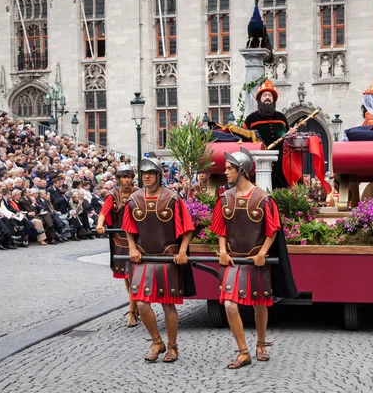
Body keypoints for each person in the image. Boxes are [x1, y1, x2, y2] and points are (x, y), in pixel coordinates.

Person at [209, 147, 297, 369]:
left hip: (255, 260)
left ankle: (260, 344)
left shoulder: (262, 198)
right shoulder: (224, 198)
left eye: (229, 169)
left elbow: (272, 229)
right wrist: (222, 250)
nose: (226, 172)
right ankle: (243, 352)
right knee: (229, 304)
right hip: (232, 260)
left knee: (259, 305)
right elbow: (221, 228)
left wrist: (262, 252)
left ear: (241, 170)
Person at [122, 157, 196, 363]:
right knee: (142, 304)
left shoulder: (172, 199)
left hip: (167, 257)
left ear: (158, 175)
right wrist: (131, 247)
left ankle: (172, 346)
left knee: (167, 305)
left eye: (151, 173)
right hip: (143, 256)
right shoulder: (134, 199)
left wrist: (182, 252)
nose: (146, 176)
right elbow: (129, 228)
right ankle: (157, 341)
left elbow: (187, 228)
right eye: (144, 173)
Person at [96, 163, 140, 328]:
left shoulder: (138, 193)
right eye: (123, 177)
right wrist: (100, 224)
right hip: (119, 238)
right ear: (118, 178)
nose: (126, 180)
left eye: (128, 176)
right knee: (127, 277)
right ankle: (133, 308)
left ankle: (131, 312)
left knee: (133, 275)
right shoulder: (113, 194)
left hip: (136, 239)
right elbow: (104, 211)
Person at [243, 79, 290, 189]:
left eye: (270, 95)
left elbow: (287, 135)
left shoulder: (281, 118)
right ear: (259, 99)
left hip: (280, 161)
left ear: (273, 100)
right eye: (265, 95)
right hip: (259, 161)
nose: (268, 97)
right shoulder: (251, 119)